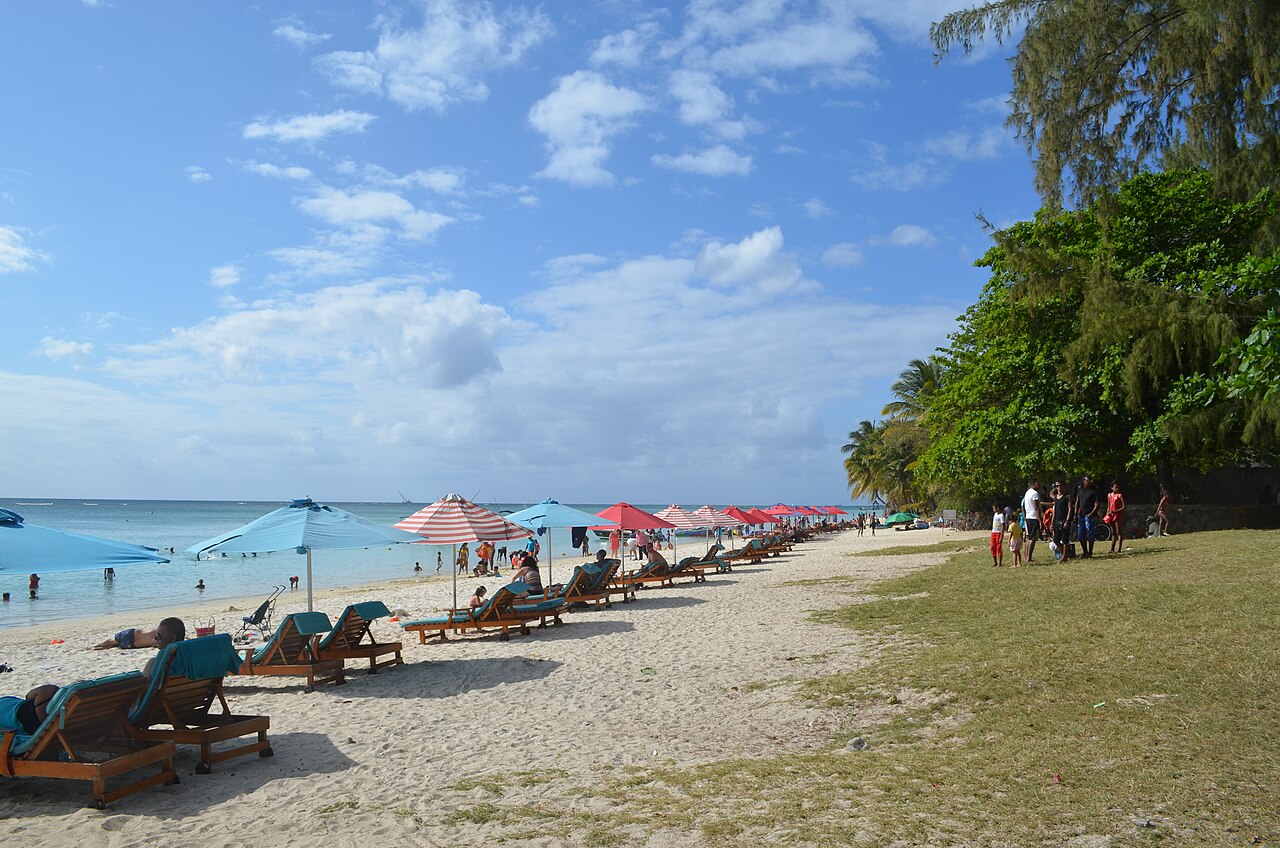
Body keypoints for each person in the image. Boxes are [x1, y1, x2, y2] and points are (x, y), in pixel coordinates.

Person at [94, 617, 186, 651]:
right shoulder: (163, 636)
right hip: (132, 644)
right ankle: (101, 646)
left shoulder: (160, 631)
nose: (156, 639)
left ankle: (97, 645)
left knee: (113, 641)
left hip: (131, 635)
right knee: (115, 643)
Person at [1073, 475, 1100, 558]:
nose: (1089, 482)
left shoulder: (1093, 491)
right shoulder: (1080, 490)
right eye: (1087, 480)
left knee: (1090, 534)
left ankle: (1090, 552)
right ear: (1084, 481)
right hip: (1081, 515)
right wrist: (1075, 513)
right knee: (1081, 535)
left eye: (1090, 481)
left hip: (1089, 516)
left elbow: (1097, 504)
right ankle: (1085, 551)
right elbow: (1077, 501)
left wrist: (1091, 513)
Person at [1021, 478, 1043, 563]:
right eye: (1038, 483)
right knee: (1032, 538)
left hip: (1028, 517)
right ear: (1034, 484)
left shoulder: (1027, 492)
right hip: (1034, 517)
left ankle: (1026, 556)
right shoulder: (1034, 493)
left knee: (1028, 537)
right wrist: (1040, 520)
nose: (1039, 485)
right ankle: (1028, 557)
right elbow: (1036, 507)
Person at [1050, 481, 1072, 560]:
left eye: (1060, 485)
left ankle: (1064, 557)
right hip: (1057, 520)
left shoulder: (1067, 496)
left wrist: (1067, 521)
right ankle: (1064, 553)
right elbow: (1054, 511)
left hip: (1064, 520)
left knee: (1065, 539)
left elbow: (1070, 509)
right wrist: (1052, 523)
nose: (1059, 487)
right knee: (1056, 539)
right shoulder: (1055, 497)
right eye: (1057, 486)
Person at [1106, 481, 1127, 553]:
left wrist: (1116, 511)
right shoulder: (1109, 495)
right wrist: (1108, 512)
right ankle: (1112, 549)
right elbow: (1109, 506)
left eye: (1118, 487)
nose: (1117, 489)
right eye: (1115, 487)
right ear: (1112, 488)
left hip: (1117, 514)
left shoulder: (1119, 495)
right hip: (1111, 515)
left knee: (1119, 531)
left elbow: (1124, 506)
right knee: (1113, 532)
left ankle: (1119, 549)